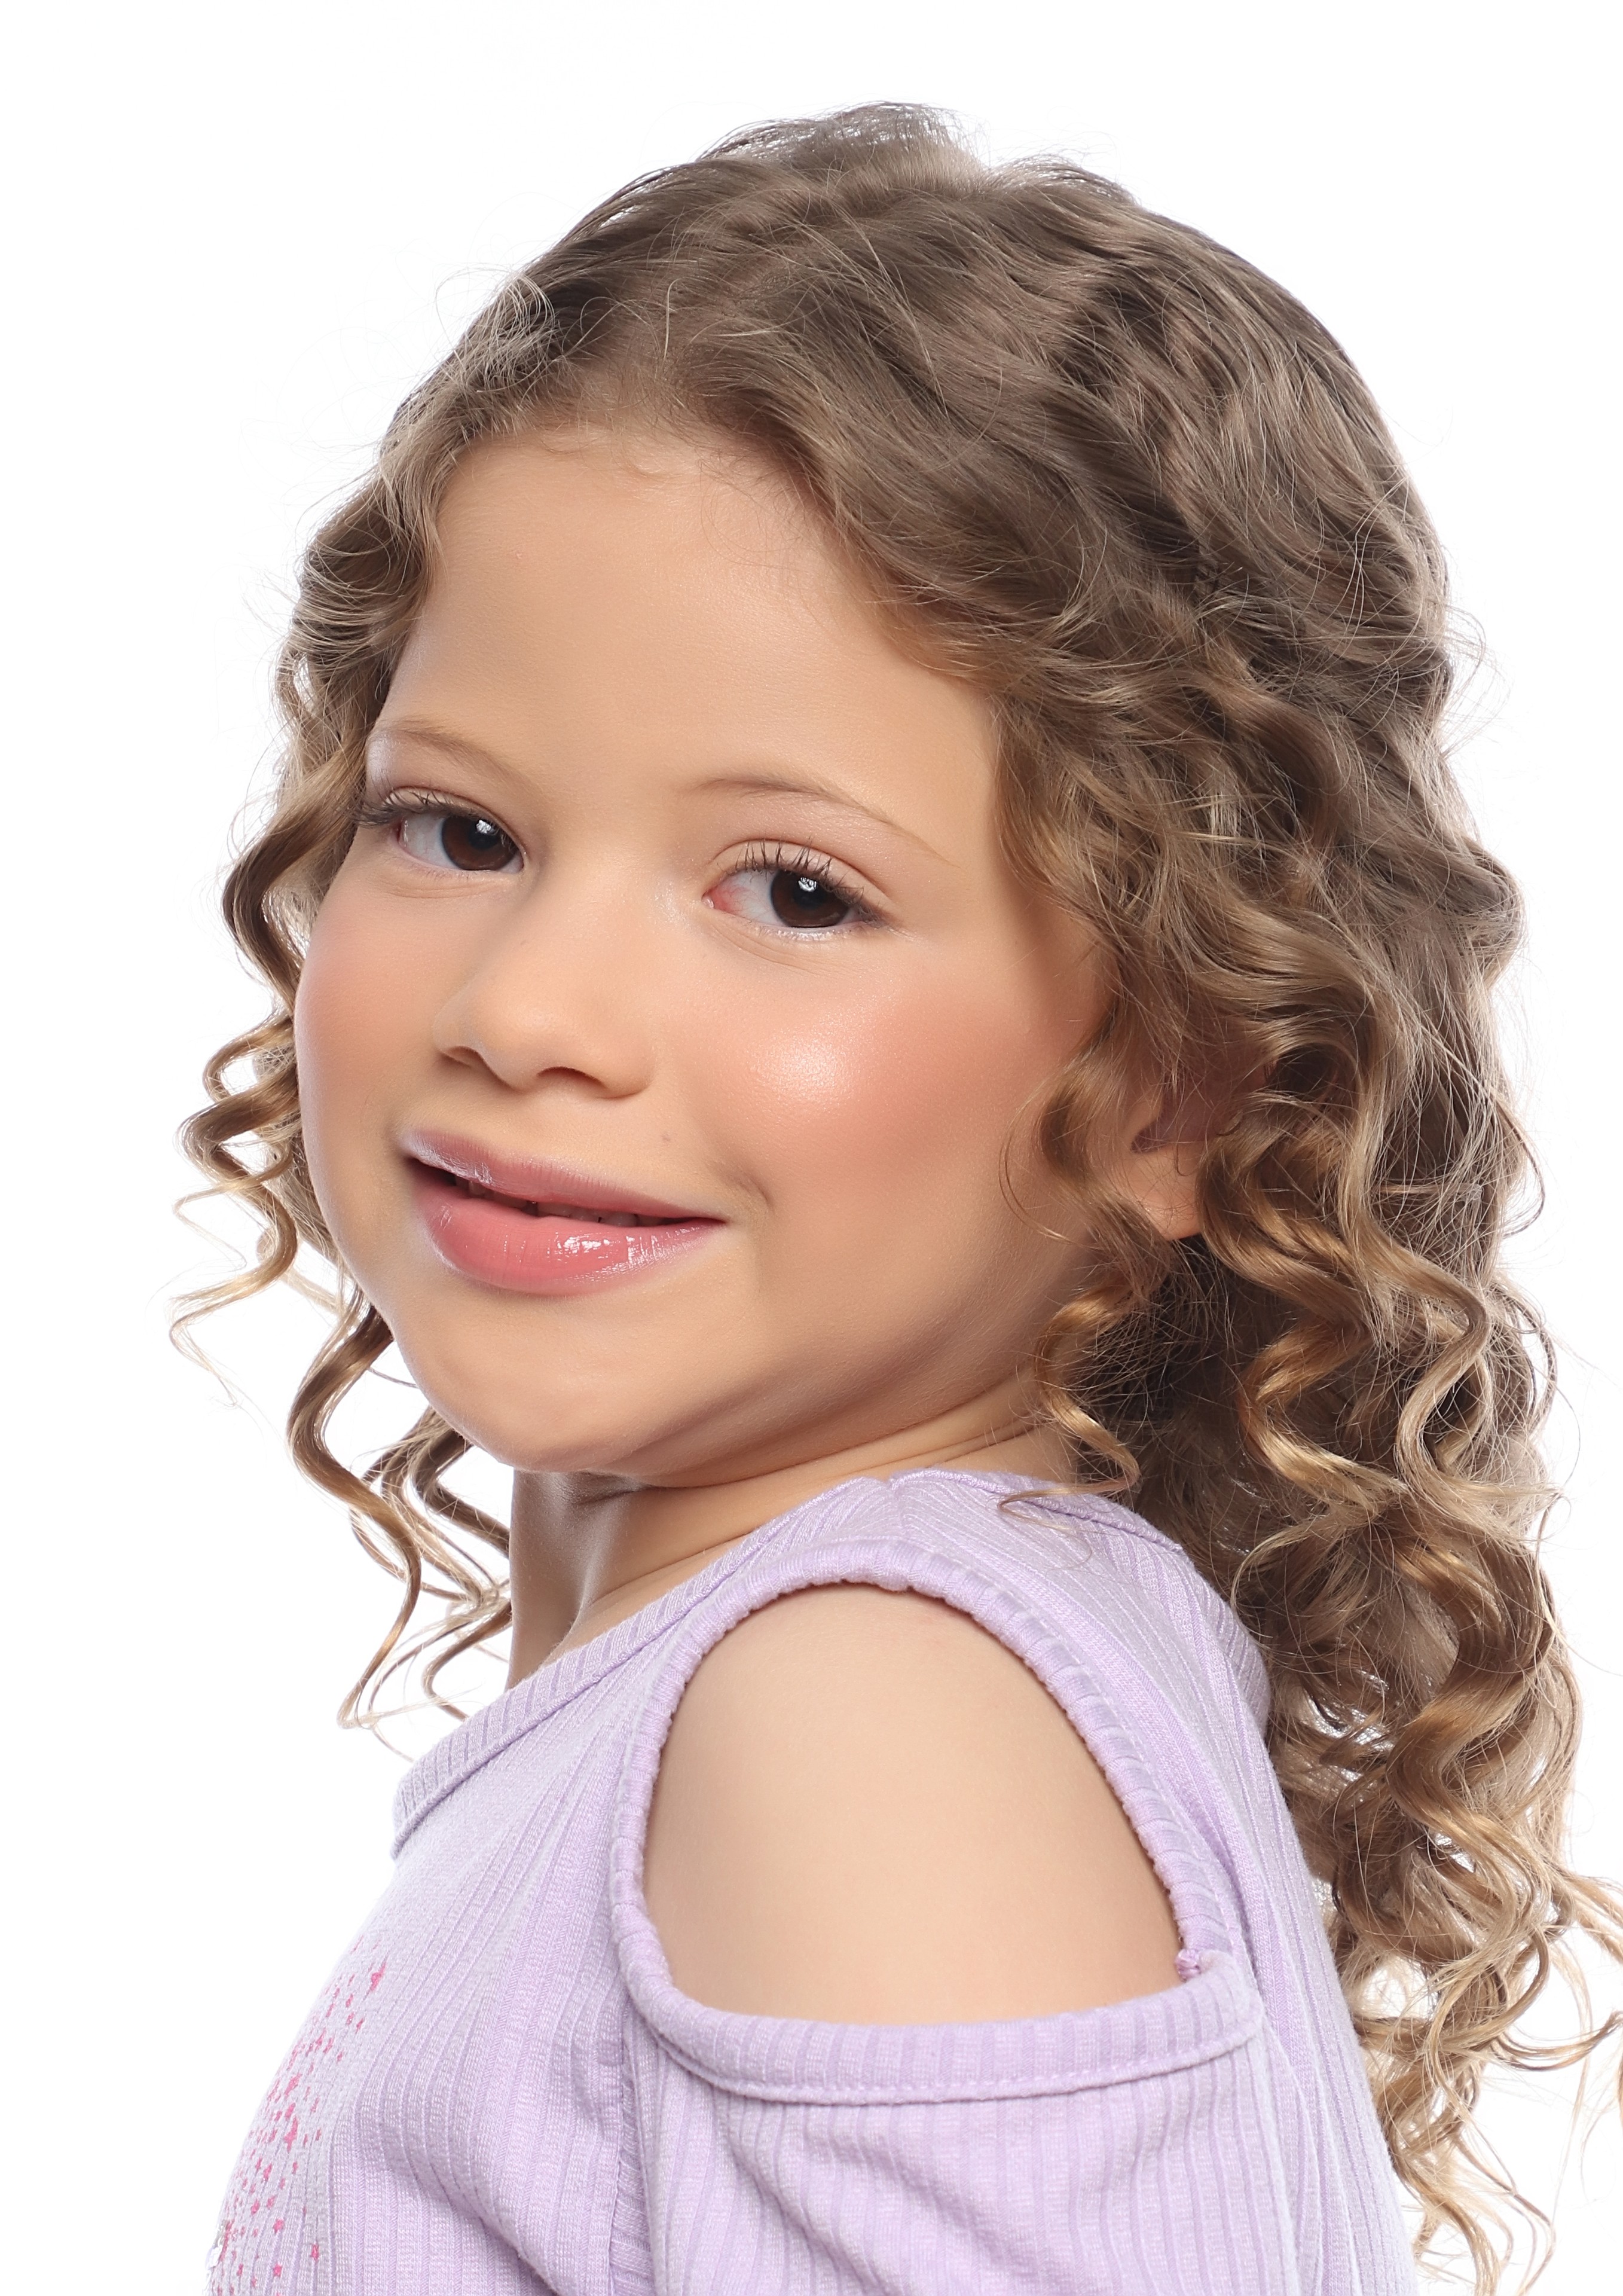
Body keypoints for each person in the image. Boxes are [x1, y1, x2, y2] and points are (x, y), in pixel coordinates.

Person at [182, 105, 1621, 2294]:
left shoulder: (864, 1716)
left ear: (1180, 1088)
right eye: (458, 830)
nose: (529, 1009)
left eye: (794, 891)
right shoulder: (861, 1671)